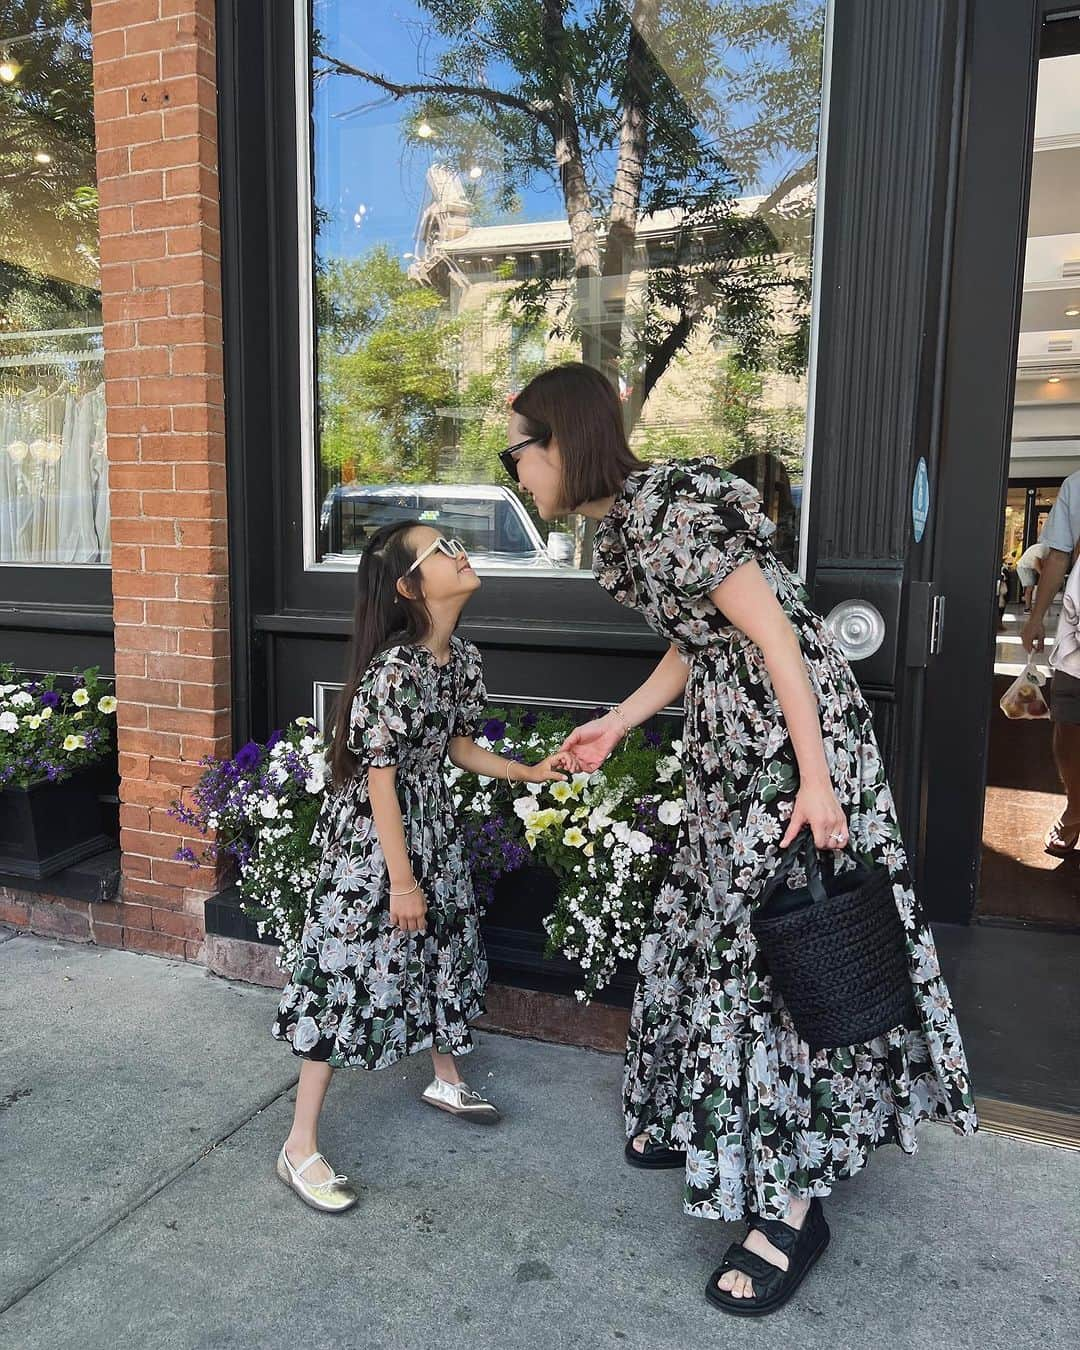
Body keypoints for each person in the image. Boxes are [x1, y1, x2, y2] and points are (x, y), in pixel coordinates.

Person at [502, 363, 977, 1316]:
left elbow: (779, 640)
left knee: (780, 950)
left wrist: (815, 779)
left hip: (782, 740)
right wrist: (620, 722)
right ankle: (713, 1115)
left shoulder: (673, 504)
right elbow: (701, 639)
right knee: (717, 932)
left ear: (561, 439)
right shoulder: (629, 520)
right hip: (737, 735)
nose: (514, 472)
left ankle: (793, 1206)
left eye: (515, 450)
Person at [272, 521, 570, 1212]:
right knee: (346, 972)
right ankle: (298, 1145)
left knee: (438, 948)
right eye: (442, 551)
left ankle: (443, 1077)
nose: (460, 553)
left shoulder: (459, 658)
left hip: (427, 828)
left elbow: (458, 747)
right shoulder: (393, 671)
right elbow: (379, 780)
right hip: (376, 846)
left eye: (454, 544)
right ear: (410, 587)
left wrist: (530, 771)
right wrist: (401, 880)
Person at [1022, 474, 1080, 856]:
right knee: (1069, 721)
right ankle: (1076, 805)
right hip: (1079, 631)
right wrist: (1035, 616)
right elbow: (1057, 555)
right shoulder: (1077, 485)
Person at [1015, 538, 1050, 611]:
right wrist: (1043, 575)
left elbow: (1042, 564)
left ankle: (1029, 607)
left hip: (1030, 567)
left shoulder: (1046, 550)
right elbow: (1037, 564)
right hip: (1024, 567)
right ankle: (1027, 608)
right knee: (1030, 587)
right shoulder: (1042, 549)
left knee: (1031, 587)